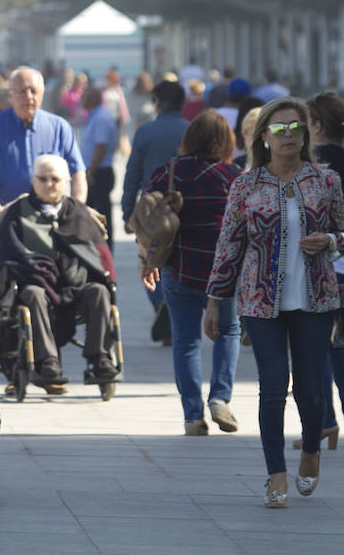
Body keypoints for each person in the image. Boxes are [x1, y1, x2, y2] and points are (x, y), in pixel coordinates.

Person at [205, 97, 344, 508]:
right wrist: (216, 298)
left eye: (296, 127)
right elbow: (229, 245)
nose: (289, 135)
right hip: (260, 301)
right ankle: (275, 475)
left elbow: (342, 229)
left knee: (312, 392)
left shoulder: (326, 181)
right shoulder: (245, 186)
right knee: (271, 388)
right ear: (263, 136)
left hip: (316, 299)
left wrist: (331, 241)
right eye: (279, 129)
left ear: (306, 132)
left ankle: (311, 453)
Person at [140, 111, 242, 436]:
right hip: (223, 273)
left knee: (186, 341)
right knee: (228, 331)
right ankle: (220, 398)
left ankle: (192, 416)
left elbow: (147, 221)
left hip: (178, 268)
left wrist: (147, 259)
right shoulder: (234, 176)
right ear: (227, 141)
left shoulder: (167, 172)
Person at [0, 154, 118, 394]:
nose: (49, 184)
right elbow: (4, 252)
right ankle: (48, 361)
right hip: (35, 280)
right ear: (33, 180)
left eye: (55, 179)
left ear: (66, 181)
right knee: (34, 294)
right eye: (43, 179)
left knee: (99, 291)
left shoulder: (79, 212)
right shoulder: (18, 212)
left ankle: (100, 359)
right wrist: (30, 264)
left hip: (75, 284)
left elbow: (99, 255)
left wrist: (102, 277)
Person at [0, 66, 87, 218]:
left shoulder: (59, 127)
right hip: (8, 220)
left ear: (42, 93)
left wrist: (75, 213)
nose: (29, 96)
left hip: (54, 220)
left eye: (34, 91)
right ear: (10, 94)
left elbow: (78, 172)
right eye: (22, 91)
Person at [121, 80, 188, 345]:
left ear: (157, 102)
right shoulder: (190, 130)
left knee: (149, 260)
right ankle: (171, 306)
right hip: (184, 207)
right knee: (176, 261)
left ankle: (160, 300)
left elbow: (133, 172)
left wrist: (128, 211)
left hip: (150, 211)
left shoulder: (145, 131)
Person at [295, 91, 344, 451]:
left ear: (316, 125)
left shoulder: (315, 165)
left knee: (316, 348)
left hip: (323, 266)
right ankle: (326, 422)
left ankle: (325, 422)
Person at [80, 85, 118, 250]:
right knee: (86, 212)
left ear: (91, 99)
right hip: (93, 171)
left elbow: (101, 146)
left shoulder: (101, 117)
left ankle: (106, 250)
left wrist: (91, 171)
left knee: (102, 213)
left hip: (99, 172)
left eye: (84, 96)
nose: (81, 100)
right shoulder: (94, 116)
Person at [230, 96, 264, 167]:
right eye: (251, 134)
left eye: (260, 133)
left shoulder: (278, 164)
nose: (256, 139)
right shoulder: (236, 166)